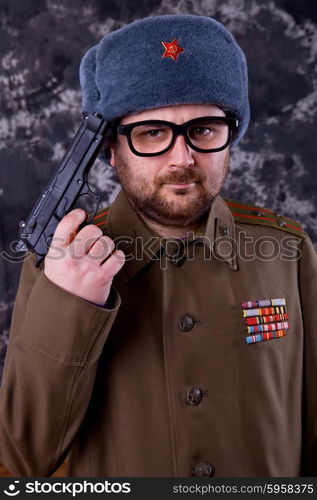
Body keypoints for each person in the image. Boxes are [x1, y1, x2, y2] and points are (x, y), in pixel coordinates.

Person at [0, 14, 316, 478]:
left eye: (204, 129)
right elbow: (21, 462)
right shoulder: (57, 265)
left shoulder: (287, 250)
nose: (182, 158)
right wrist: (69, 305)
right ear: (110, 149)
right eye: (152, 133)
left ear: (232, 136)